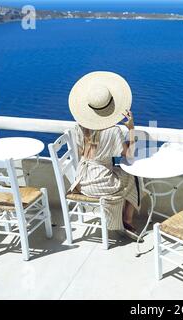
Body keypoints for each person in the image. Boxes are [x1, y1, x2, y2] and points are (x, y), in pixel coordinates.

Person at [68, 71, 141, 239]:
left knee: (122, 174)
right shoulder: (112, 131)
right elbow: (129, 156)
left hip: (81, 181)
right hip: (101, 184)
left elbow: (81, 153)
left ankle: (122, 218)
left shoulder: (78, 127)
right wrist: (131, 128)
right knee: (135, 176)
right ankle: (127, 220)